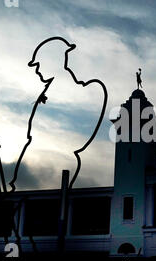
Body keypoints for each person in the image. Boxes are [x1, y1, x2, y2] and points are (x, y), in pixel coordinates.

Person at [8, 37, 108, 192]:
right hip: (36, 157)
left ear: (52, 61)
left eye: (39, 64)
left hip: (56, 162)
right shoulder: (51, 89)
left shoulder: (78, 90)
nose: (36, 70)